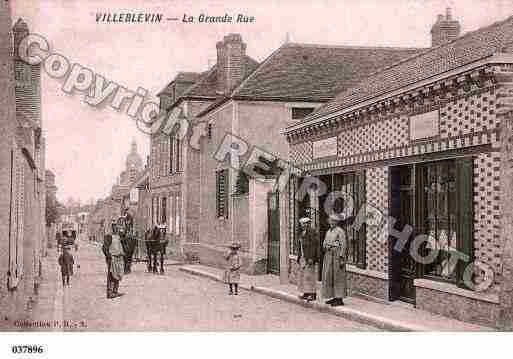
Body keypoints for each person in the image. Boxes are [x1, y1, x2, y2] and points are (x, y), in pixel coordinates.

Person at [321, 214, 348, 306]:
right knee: (329, 276)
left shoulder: (340, 231)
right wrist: (325, 246)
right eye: (331, 221)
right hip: (328, 255)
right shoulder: (328, 231)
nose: (332, 222)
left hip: (337, 256)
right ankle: (333, 296)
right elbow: (324, 242)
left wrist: (341, 257)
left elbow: (343, 245)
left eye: (334, 221)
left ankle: (339, 298)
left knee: (338, 277)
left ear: (337, 222)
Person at [297, 217, 320, 301]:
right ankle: (306, 293)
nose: (305, 225)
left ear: (309, 224)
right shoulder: (301, 233)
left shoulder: (312, 232)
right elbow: (300, 246)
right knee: (304, 276)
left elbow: (314, 245)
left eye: (307, 223)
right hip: (303, 257)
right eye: (303, 223)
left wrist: (312, 257)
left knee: (310, 276)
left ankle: (313, 294)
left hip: (309, 258)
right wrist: (299, 257)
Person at [102, 221, 125, 299]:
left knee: (118, 275)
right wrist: (109, 256)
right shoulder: (109, 236)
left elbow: (121, 244)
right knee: (111, 275)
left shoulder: (118, 236)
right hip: (113, 258)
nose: (116, 228)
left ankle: (115, 291)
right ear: (112, 228)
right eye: (114, 227)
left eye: (117, 227)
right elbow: (104, 248)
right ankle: (110, 292)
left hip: (119, 258)